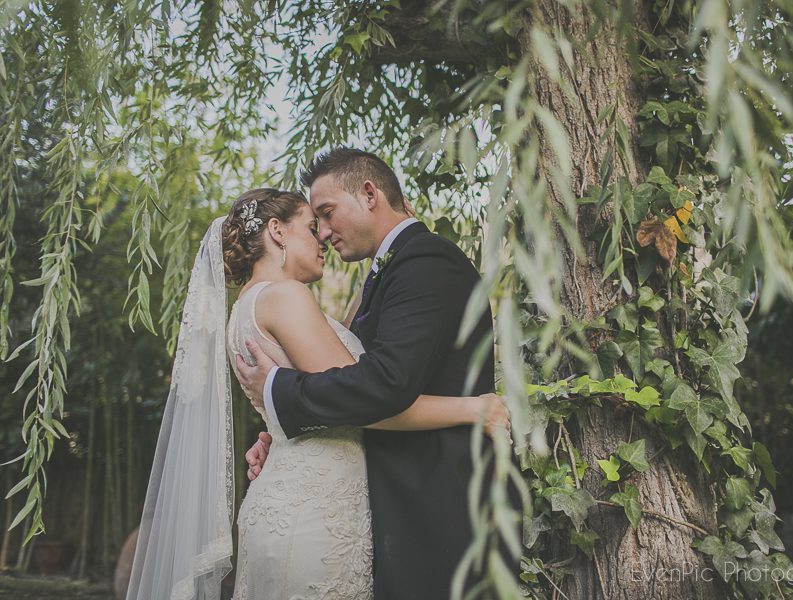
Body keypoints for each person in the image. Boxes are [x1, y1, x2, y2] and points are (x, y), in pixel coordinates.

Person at [126, 188, 508, 600]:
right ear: (277, 231)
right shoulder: (285, 297)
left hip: (290, 500)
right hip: (316, 514)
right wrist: (472, 409)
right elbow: (364, 402)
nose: (323, 237)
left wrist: (278, 424)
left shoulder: (247, 305)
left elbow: (329, 389)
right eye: (312, 226)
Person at [235, 148, 520, 599]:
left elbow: (384, 384)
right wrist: (283, 430)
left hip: (439, 506)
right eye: (316, 224)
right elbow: (358, 379)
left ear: (369, 194)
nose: (324, 233)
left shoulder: (425, 260)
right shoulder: (391, 270)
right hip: (401, 507)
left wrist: (280, 393)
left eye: (326, 215)